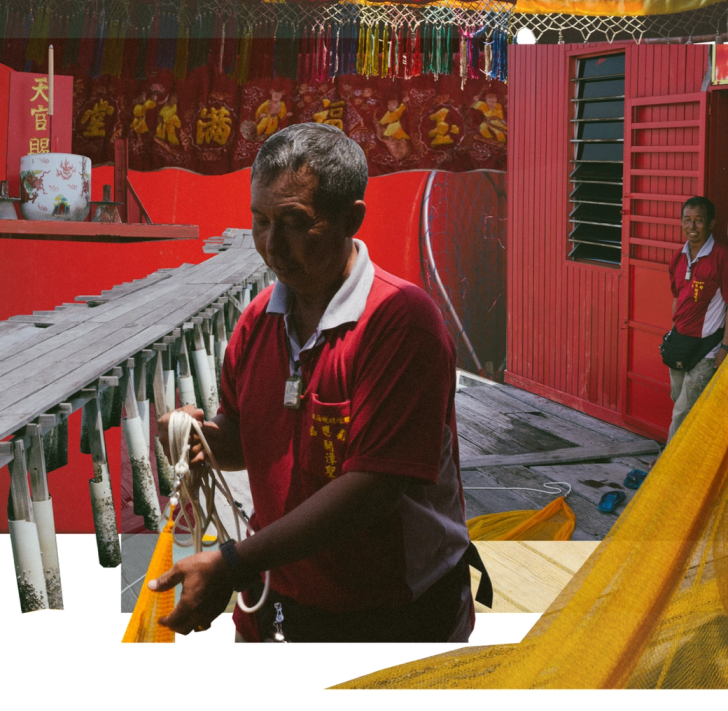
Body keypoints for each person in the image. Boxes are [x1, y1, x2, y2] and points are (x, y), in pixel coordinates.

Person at [149, 122, 485, 642]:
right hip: (282, 593)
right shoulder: (258, 319)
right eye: (260, 221)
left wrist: (233, 562)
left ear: (351, 218)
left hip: (394, 606)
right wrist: (204, 440)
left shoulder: (401, 323)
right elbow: (243, 432)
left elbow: (371, 489)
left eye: (293, 222)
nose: (272, 245)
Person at [664, 196, 728, 440]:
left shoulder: (723, 257)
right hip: (681, 343)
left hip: (707, 348)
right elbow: (677, 298)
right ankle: (691, 457)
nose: (692, 226)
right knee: (680, 401)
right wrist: (673, 333)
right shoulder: (678, 257)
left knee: (683, 411)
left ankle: (668, 465)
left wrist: (726, 348)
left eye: (699, 220)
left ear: (711, 224)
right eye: (687, 220)